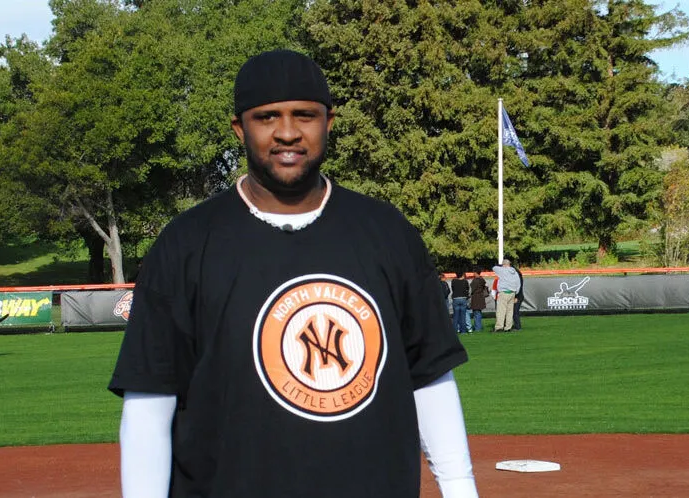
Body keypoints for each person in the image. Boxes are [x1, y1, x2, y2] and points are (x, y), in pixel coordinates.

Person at [108, 49, 477, 498]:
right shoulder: (186, 243)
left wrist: (460, 488)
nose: (287, 133)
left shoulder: (387, 233)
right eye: (267, 118)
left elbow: (431, 374)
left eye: (305, 115)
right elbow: (150, 399)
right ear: (239, 128)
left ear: (329, 122)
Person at [491, 259, 520, 332]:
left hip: (503, 292)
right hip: (512, 292)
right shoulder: (515, 272)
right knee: (510, 311)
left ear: (504, 265)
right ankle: (508, 327)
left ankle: (499, 327)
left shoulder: (502, 270)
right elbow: (518, 284)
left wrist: (501, 266)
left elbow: (494, 268)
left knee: (501, 311)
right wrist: (516, 293)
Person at [510, 263, 525, 330]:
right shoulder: (517, 273)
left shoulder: (516, 274)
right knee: (514, 312)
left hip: (518, 296)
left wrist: (517, 297)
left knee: (515, 312)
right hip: (518, 295)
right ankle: (516, 325)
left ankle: (517, 326)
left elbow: (518, 287)